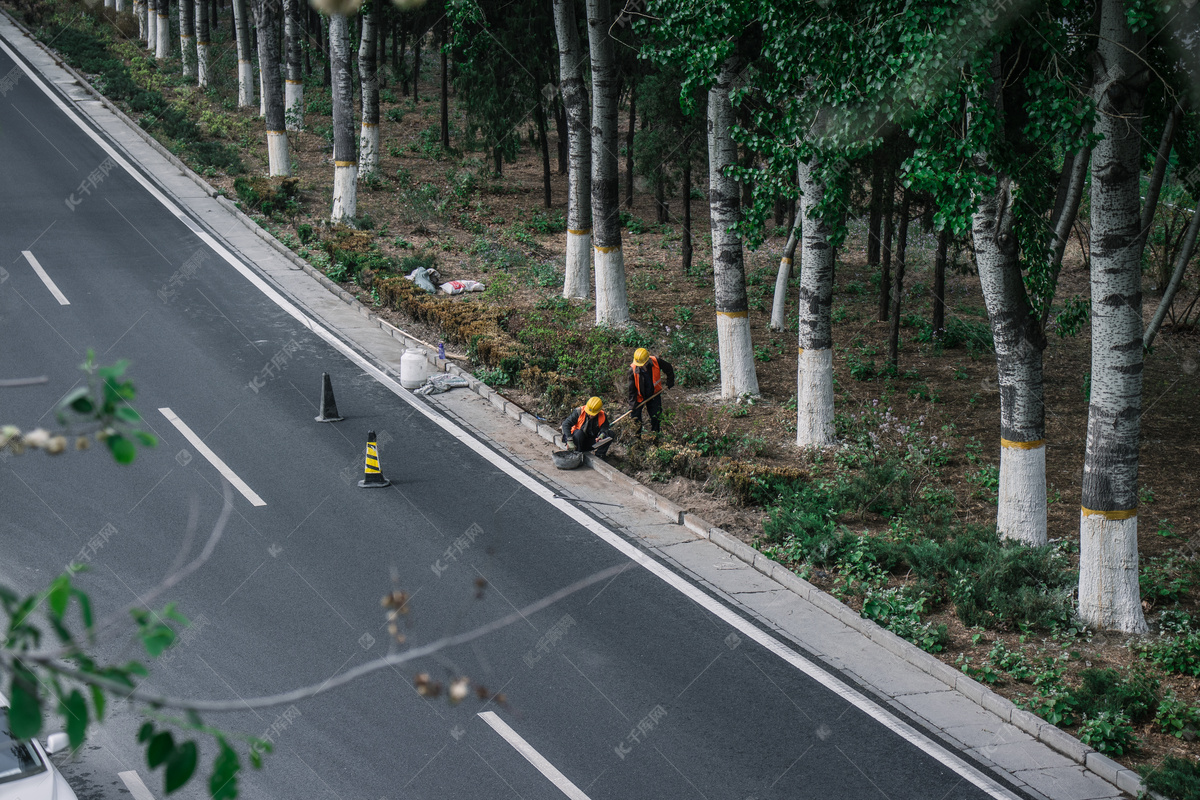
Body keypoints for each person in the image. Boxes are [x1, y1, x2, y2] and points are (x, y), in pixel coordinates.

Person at [627, 348, 675, 434]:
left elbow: (669, 368)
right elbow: (632, 390)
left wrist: (670, 381)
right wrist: (632, 405)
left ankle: (655, 436)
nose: (640, 366)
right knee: (635, 420)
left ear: (647, 360)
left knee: (656, 417)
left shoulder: (656, 361)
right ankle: (637, 439)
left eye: (642, 364)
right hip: (639, 397)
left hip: (654, 394)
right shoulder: (632, 370)